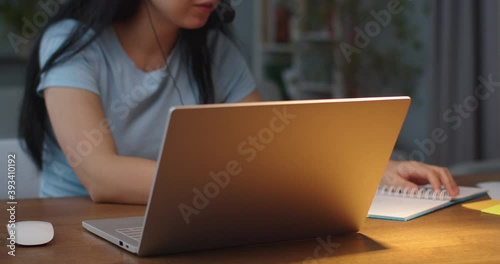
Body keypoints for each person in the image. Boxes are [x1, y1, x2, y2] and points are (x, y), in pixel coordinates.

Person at [18, 0, 459, 205]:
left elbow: (269, 145)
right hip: (75, 233)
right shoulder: (72, 43)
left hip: (179, 222)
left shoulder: (214, 51)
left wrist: (375, 170)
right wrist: (239, 180)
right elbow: (102, 176)